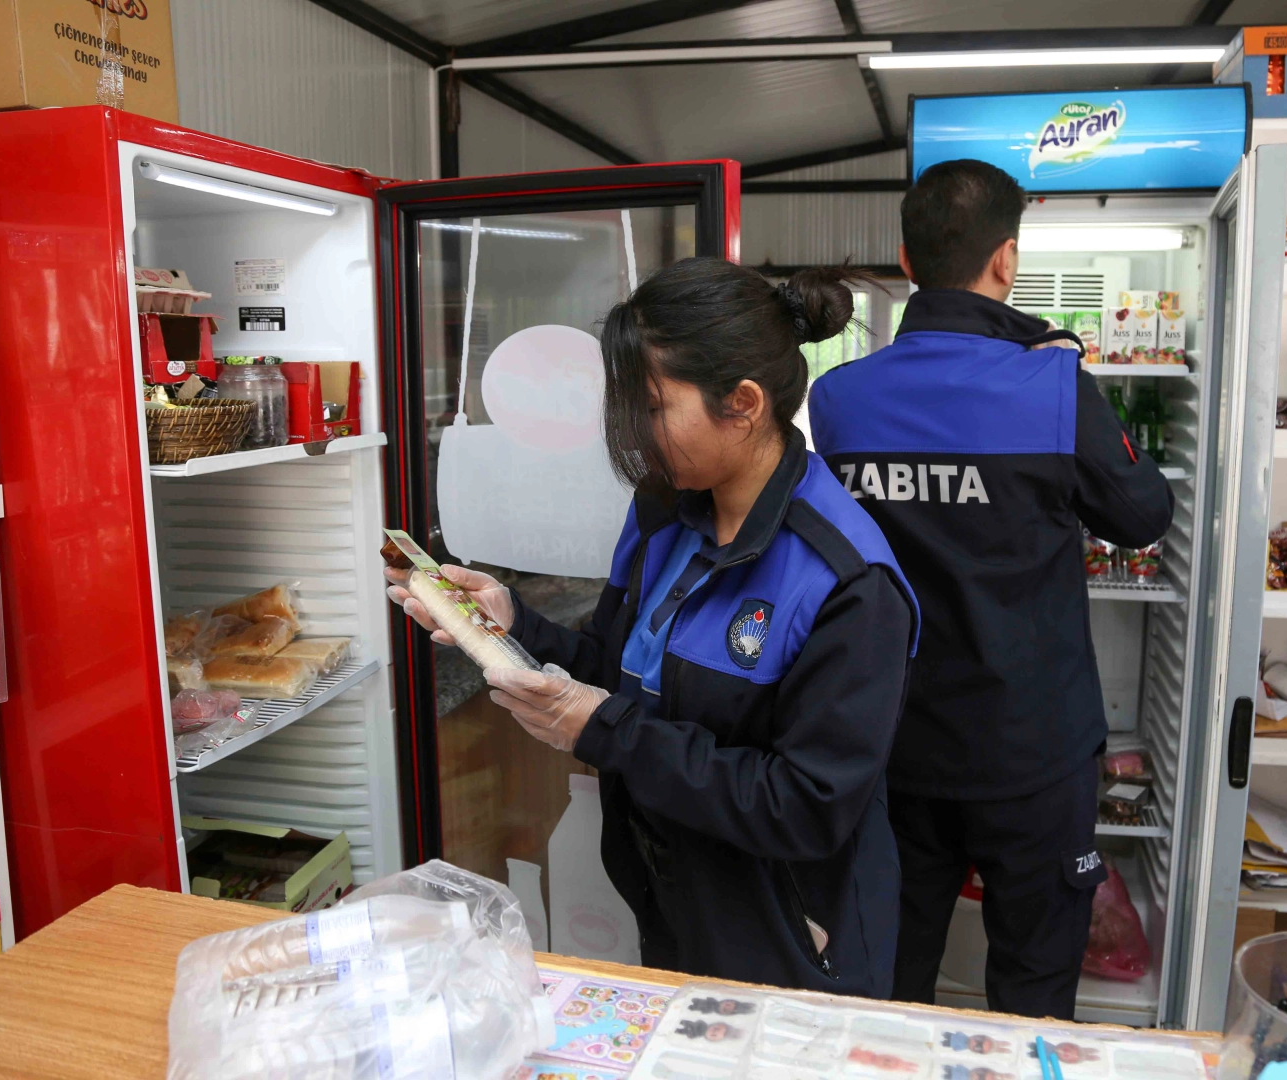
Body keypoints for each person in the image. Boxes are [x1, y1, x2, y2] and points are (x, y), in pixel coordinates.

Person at [386, 258, 919, 999]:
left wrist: (603, 730)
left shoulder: (847, 582)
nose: (634, 431)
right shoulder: (666, 513)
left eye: (653, 407)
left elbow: (805, 807)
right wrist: (515, 625)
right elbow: (619, 666)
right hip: (672, 894)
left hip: (793, 938)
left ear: (743, 403)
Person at [807, 160, 1174, 1019]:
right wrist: (1068, 380)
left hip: (895, 744)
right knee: (1034, 989)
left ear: (907, 259)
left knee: (892, 981)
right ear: (1006, 260)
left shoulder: (839, 399)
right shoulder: (1050, 384)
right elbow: (1142, 514)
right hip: (1033, 751)